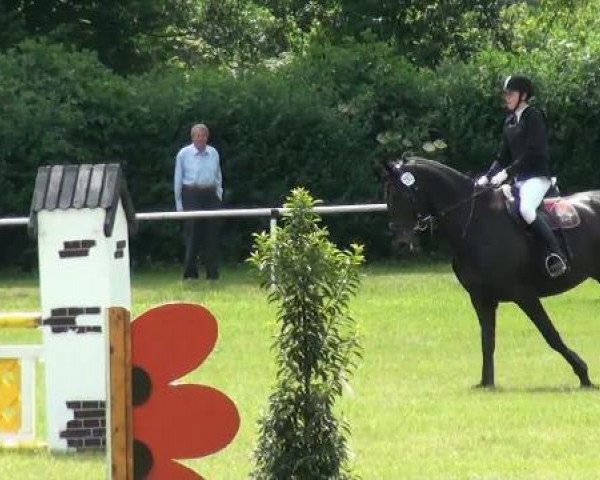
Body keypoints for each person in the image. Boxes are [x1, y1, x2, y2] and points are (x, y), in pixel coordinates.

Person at [475, 75, 568, 278]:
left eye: (511, 94)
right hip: (519, 180)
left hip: (537, 177)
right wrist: (487, 176)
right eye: (505, 94)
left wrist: (507, 173)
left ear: (523, 95)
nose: (506, 98)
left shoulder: (533, 116)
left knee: (526, 210)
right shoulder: (509, 121)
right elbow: (503, 157)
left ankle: (556, 254)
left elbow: (534, 152)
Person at [174, 123, 223, 281]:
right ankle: (190, 274)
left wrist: (218, 195)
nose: (201, 139)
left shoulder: (214, 153)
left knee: (212, 236)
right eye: (198, 136)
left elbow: (218, 176)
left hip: (210, 194)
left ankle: (212, 274)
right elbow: (178, 180)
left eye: (204, 136)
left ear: (207, 137)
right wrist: (179, 205)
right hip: (191, 195)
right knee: (193, 235)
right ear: (193, 137)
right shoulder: (183, 154)